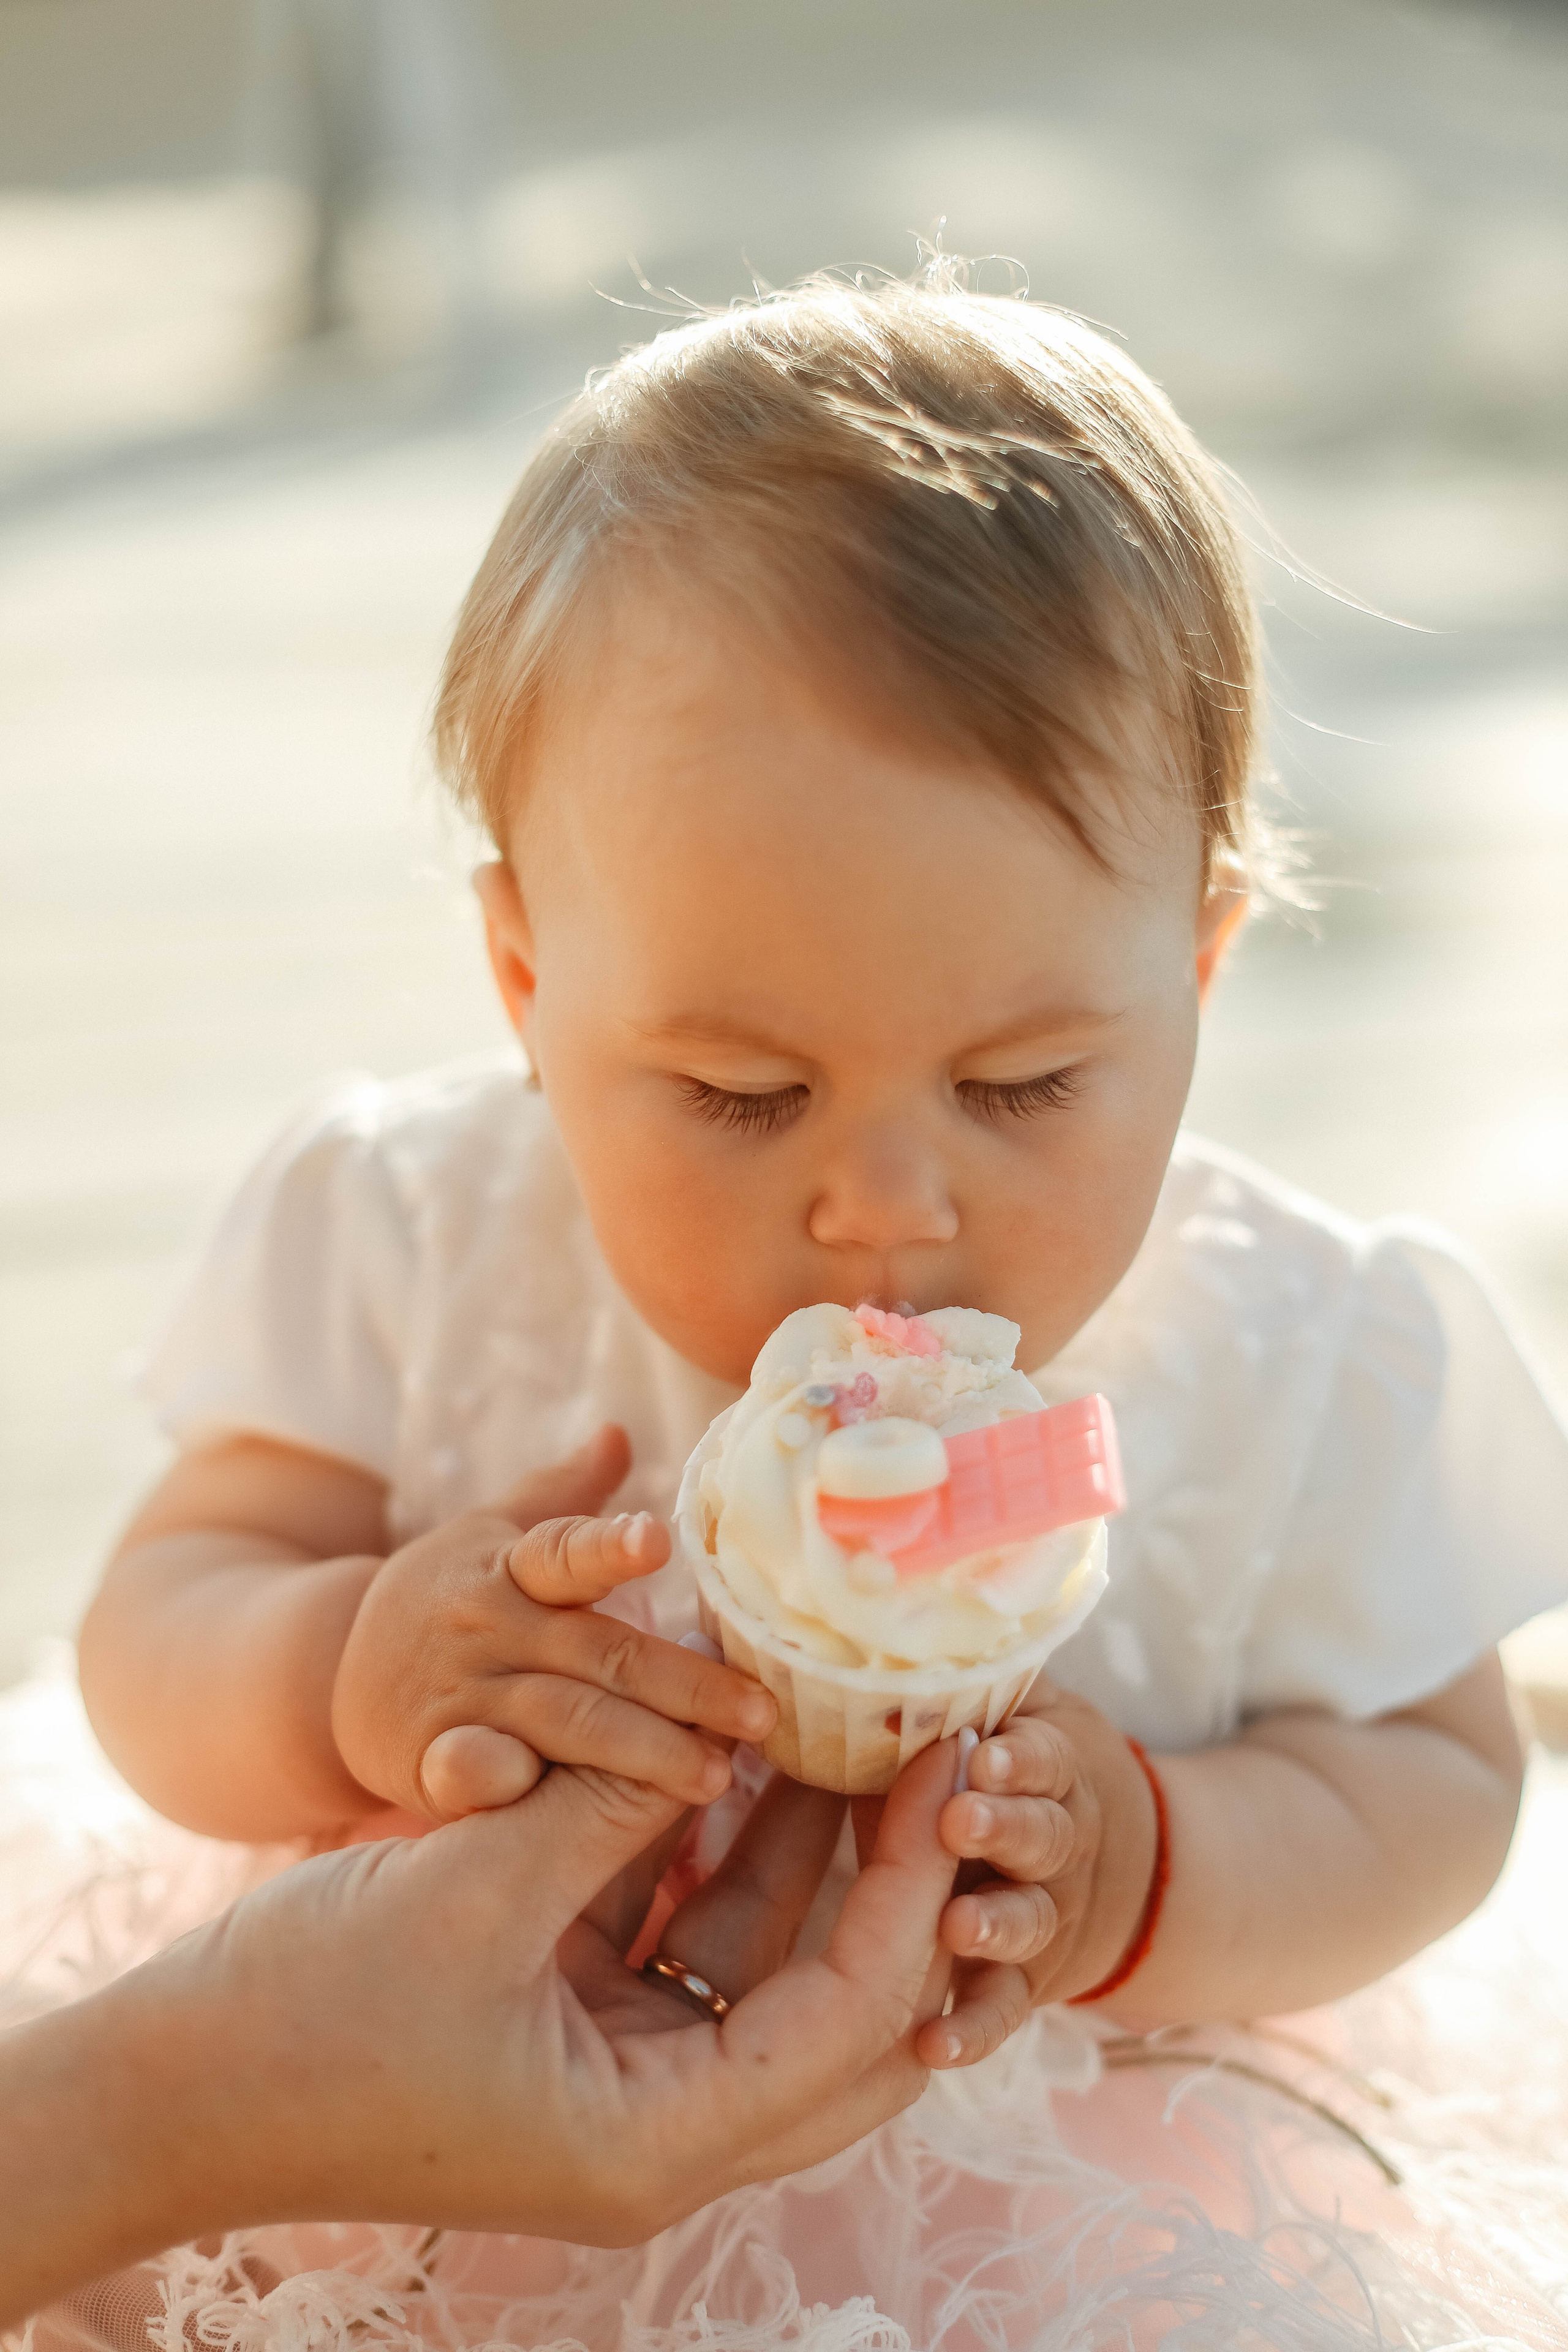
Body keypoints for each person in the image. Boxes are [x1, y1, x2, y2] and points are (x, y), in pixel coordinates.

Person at [48, 267, 1568, 2342]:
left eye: (1026, 1085)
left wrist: (1149, 1870)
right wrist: (341, 1670)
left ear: (1199, 972)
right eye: (739, 1095)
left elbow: (1440, 1783)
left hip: (1059, 2186)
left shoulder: (1292, 1352)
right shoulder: (421, 1235)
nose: (884, 1207)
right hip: (403, 2119)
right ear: (527, 982)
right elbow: (157, 1615)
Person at [1, 1456, 965, 2332]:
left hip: (873, 2206)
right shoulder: (409, 1306)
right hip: (340, 2110)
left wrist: (1047, 1859)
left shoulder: (1053, 1429)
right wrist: (338, 1667)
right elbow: (159, 1604)